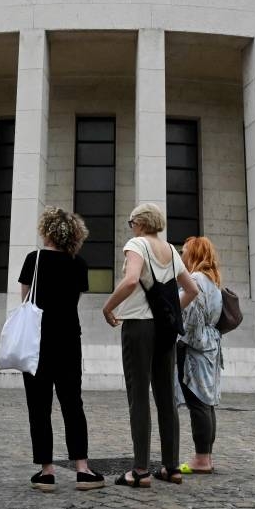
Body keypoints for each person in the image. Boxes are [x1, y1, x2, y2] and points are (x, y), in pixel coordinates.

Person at [101, 203, 199, 488]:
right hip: (166, 329)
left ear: (140, 223)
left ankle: (140, 470)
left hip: (138, 326)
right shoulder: (170, 249)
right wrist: (170, 313)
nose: (130, 226)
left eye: (131, 221)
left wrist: (108, 307)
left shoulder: (136, 244)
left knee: (139, 394)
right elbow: (191, 289)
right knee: (166, 396)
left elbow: (131, 280)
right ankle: (171, 467)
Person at [17, 207, 105, 492]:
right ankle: (82, 469)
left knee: (39, 406)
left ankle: (46, 472)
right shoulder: (78, 264)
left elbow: (26, 299)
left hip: (37, 340)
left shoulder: (35, 259)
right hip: (68, 338)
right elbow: (73, 300)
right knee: (72, 403)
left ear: (47, 230)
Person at [175, 236, 224, 475]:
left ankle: (201, 459)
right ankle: (206, 456)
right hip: (211, 347)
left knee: (198, 404)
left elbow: (190, 321)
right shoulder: (212, 281)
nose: (181, 254)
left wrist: (178, 340)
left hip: (195, 350)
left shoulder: (195, 279)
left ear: (194, 254)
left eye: (184, 251)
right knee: (207, 403)